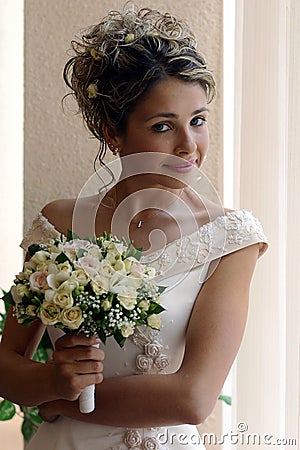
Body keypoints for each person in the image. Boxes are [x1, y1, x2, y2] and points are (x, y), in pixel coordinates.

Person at [0, 4, 268, 449]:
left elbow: (193, 398)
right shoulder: (58, 225)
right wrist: (50, 377)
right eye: (164, 126)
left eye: (198, 121)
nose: (189, 146)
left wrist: (61, 401)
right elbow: (6, 367)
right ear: (113, 132)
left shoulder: (231, 239)